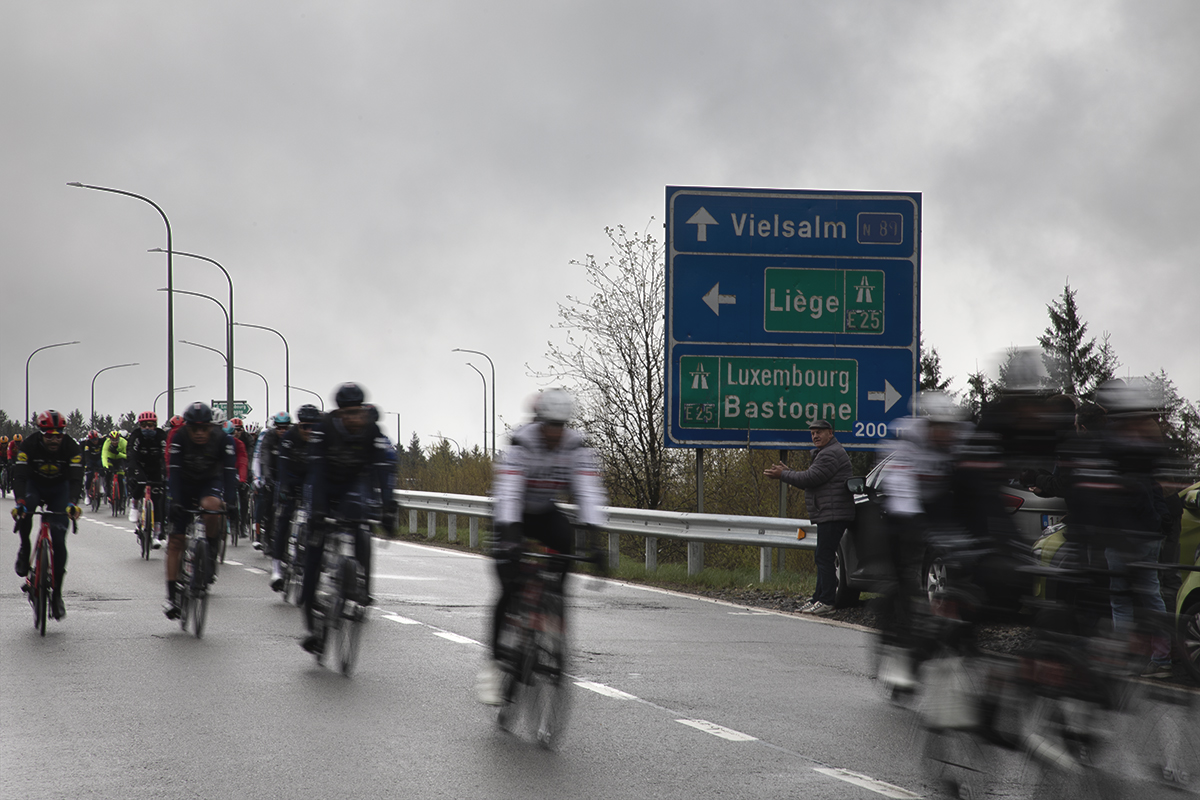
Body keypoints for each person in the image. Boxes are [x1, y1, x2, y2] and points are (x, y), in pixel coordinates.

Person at [475, 388, 607, 705]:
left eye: (561, 426)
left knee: (565, 540)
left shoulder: (575, 446)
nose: (555, 433)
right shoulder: (522, 444)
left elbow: (588, 492)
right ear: (539, 422)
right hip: (514, 514)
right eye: (550, 425)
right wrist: (509, 538)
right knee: (507, 589)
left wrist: (596, 542)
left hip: (546, 512)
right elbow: (507, 492)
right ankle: (494, 665)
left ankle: (550, 610)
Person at [298, 383, 395, 654]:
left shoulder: (372, 430)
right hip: (325, 488)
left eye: (359, 412)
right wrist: (316, 512)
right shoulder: (324, 429)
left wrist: (388, 509)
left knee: (360, 523)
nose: (355, 418)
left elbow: (383, 471)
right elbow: (315, 474)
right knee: (314, 558)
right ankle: (312, 630)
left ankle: (360, 580)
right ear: (338, 413)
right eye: (348, 413)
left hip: (354, 486)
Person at [764, 419, 854, 616]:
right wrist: (789, 473)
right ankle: (817, 599)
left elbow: (809, 479)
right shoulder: (826, 453)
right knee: (823, 556)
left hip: (833, 513)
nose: (815, 436)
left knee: (824, 556)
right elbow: (811, 478)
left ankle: (827, 601)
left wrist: (784, 475)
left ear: (830, 433)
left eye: (819, 432)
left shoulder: (830, 454)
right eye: (812, 433)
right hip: (829, 512)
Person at [163, 401, 238, 620]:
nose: (198, 433)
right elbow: (174, 473)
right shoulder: (179, 438)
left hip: (209, 482)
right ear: (187, 427)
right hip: (183, 485)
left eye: (203, 428)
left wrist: (232, 503)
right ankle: (171, 597)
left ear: (211, 427)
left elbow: (229, 472)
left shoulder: (223, 439)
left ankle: (210, 551)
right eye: (194, 428)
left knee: (212, 506)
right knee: (176, 541)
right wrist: (175, 501)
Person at [11, 410, 84, 620]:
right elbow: (20, 476)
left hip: (59, 490)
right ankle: (25, 548)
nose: (54, 439)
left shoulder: (72, 447)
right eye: (49, 435)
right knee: (25, 513)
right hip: (35, 486)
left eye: (58, 434)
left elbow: (76, 479)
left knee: (59, 541)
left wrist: (72, 503)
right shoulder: (28, 446)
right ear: (41, 433)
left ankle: (57, 596)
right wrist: (20, 502)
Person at [270, 404, 320, 591]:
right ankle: (276, 568)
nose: (309, 430)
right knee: (283, 519)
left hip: (310, 481)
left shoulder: (321, 439)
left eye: (313, 426)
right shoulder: (289, 438)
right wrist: (283, 487)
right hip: (290, 479)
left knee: (316, 519)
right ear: (298, 425)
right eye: (305, 426)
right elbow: (281, 466)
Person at [252, 412, 291, 553]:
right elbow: (264, 459)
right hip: (271, 473)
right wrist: (264, 478)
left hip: (285, 474)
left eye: (285, 428)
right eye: (280, 428)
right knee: (267, 504)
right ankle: (266, 536)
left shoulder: (291, 437)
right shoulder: (268, 437)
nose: (282, 431)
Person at [128, 412, 168, 547]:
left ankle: (157, 535)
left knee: (157, 501)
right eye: (144, 425)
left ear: (155, 426)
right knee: (140, 484)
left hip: (156, 467)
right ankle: (134, 506)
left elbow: (165, 456)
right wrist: (133, 471)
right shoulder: (136, 436)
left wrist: (165, 472)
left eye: (150, 425)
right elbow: (131, 455)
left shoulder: (162, 436)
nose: (147, 428)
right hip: (140, 466)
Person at [100, 429, 128, 504]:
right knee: (108, 475)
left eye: (116, 440)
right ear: (110, 439)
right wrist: (105, 466)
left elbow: (127, 456)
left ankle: (121, 499)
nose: (115, 442)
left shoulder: (124, 442)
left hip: (120, 460)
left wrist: (118, 453)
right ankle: (109, 494)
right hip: (110, 459)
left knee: (120, 477)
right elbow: (104, 455)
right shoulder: (107, 443)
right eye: (113, 440)